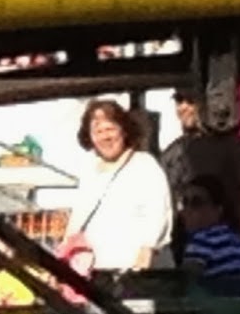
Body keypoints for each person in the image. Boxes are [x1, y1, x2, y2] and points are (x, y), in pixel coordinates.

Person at [62, 98, 173, 274]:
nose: (105, 137)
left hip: (133, 274)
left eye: (110, 129)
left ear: (124, 130)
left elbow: (157, 215)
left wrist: (144, 258)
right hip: (93, 273)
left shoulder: (144, 165)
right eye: (98, 131)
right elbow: (77, 221)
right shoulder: (90, 172)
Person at [160, 88, 240, 259]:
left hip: (231, 247)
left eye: (190, 101)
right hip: (185, 248)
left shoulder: (235, 145)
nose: (183, 107)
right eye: (179, 101)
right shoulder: (172, 152)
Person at [179, 174, 240, 279]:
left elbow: (187, 281)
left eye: (196, 203)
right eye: (185, 203)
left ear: (218, 210)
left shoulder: (202, 240)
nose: (187, 210)